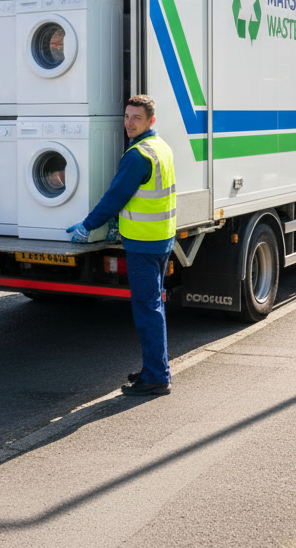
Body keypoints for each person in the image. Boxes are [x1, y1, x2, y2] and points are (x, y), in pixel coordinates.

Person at [67, 95, 176, 397]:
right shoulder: (161, 148)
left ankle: (156, 377)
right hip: (161, 238)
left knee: (147, 309)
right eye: (127, 116)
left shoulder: (138, 155)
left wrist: (86, 227)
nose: (129, 123)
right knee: (154, 306)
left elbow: (114, 197)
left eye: (136, 118)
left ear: (150, 121)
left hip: (143, 243)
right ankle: (156, 368)